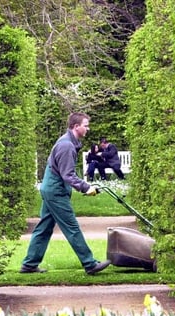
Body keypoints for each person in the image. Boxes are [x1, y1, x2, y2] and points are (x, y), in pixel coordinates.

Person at [20, 113, 112, 275]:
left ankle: (29, 264)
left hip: (52, 188)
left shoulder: (68, 142)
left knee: (44, 228)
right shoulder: (66, 145)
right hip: (55, 191)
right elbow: (67, 175)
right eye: (86, 125)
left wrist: (85, 186)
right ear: (76, 126)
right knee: (72, 227)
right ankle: (89, 264)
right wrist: (85, 187)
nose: (88, 128)